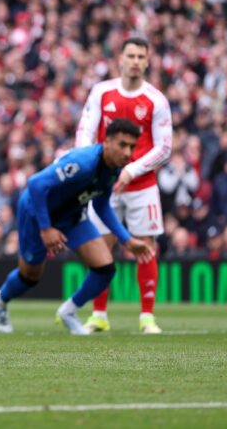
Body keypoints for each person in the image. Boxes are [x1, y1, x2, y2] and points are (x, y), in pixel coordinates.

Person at [0, 119, 154, 334]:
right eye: (122, 145)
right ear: (107, 142)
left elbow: (102, 205)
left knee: (105, 269)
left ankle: (68, 311)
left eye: (132, 146)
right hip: (36, 212)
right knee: (29, 277)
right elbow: (36, 184)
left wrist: (126, 239)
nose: (127, 152)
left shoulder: (113, 169)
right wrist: (46, 228)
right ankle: (0, 300)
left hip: (71, 215)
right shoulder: (83, 162)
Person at [74, 36, 172, 334]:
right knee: (100, 249)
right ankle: (99, 314)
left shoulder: (156, 99)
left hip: (142, 185)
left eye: (141, 57)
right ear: (120, 58)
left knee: (146, 248)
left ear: (147, 61)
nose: (135, 62)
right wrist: (85, 165)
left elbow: (164, 147)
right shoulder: (102, 92)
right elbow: (85, 131)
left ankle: (147, 317)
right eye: (131, 56)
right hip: (104, 184)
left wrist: (131, 170)